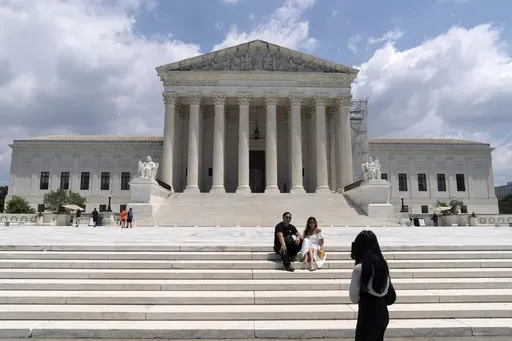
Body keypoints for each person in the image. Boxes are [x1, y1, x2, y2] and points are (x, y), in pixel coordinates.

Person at [349, 230, 396, 341]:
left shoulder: (360, 268)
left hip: (367, 315)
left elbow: (354, 297)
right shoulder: (384, 265)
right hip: (382, 314)